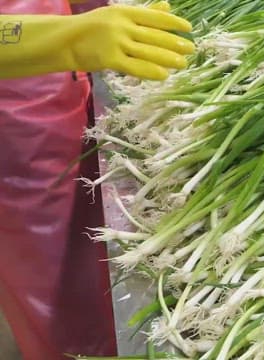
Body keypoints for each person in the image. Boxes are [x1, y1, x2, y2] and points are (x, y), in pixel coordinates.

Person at [0, 1, 194, 359]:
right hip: (13, 138)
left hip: (57, 94)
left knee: (94, 270)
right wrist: (69, 38)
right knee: (59, 298)